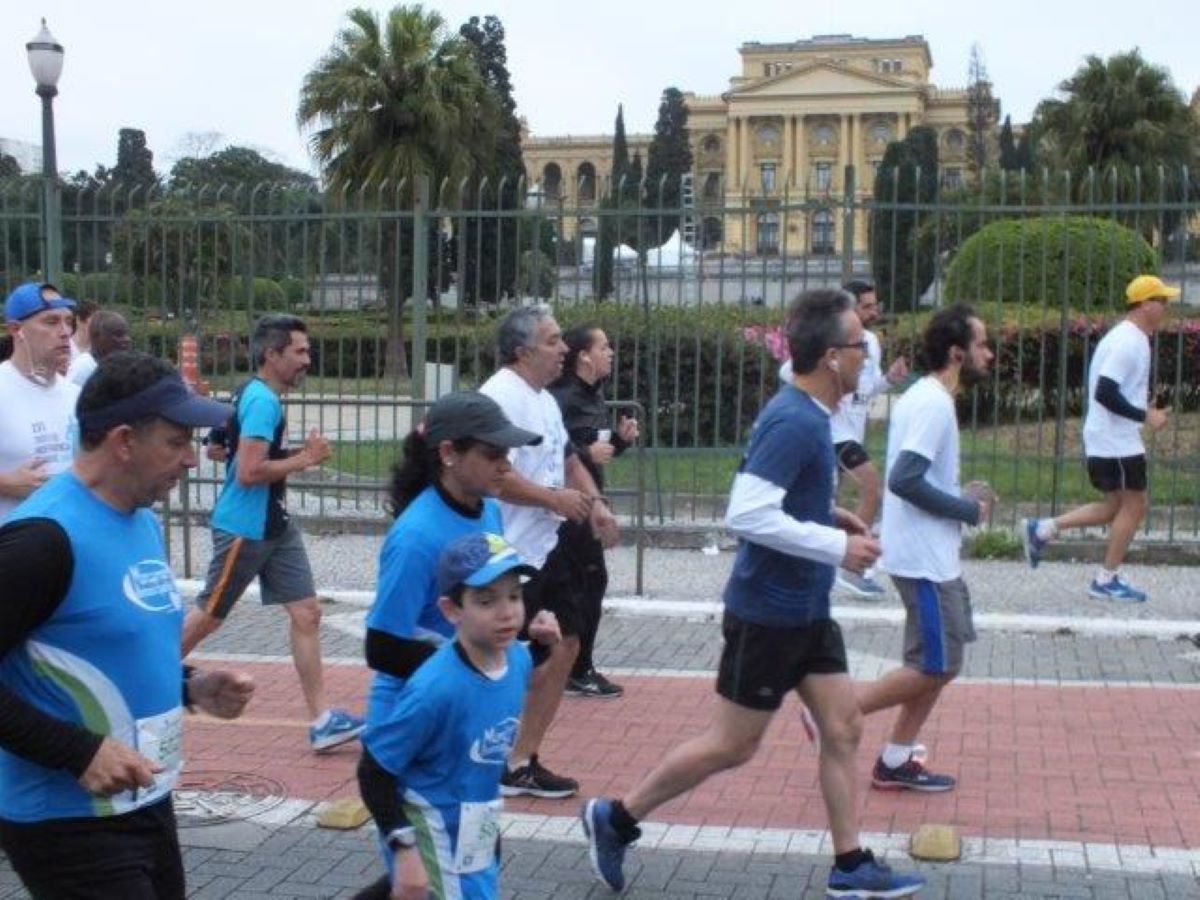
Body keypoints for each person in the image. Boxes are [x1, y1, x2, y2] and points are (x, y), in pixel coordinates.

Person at [581, 289, 924, 899]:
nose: (867, 357)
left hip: (805, 609)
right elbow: (747, 514)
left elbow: (776, 503)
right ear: (829, 357)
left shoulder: (810, 415)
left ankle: (850, 866)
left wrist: (828, 517)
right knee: (733, 745)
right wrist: (835, 547)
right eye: (857, 346)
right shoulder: (794, 419)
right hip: (768, 613)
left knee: (842, 727)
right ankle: (617, 817)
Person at [0, 351, 254, 899]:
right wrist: (78, 750)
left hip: (145, 797)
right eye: (176, 441)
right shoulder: (42, 541)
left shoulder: (139, 518)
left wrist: (191, 685)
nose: (191, 460)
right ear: (122, 441)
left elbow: (110, 641)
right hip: (66, 817)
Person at [182, 313, 364, 752]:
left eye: (306, 350)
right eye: (299, 351)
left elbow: (220, 442)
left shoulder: (251, 392)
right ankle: (141, 678)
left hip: (275, 524)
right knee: (209, 616)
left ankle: (322, 721)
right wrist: (308, 457)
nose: (307, 359)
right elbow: (248, 472)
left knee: (307, 613)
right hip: (246, 527)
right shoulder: (262, 400)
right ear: (272, 354)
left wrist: (219, 445)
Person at [357, 531, 561, 900]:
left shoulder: (514, 656)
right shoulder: (435, 688)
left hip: (477, 818)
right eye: (486, 601)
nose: (507, 612)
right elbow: (374, 769)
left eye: (514, 596)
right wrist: (403, 849)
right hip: (432, 821)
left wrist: (545, 646)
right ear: (452, 610)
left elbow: (529, 668)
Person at [480, 305, 619, 799]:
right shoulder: (499, 398)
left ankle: (521, 760)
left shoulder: (544, 399)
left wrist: (596, 506)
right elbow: (495, 477)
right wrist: (553, 499)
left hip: (549, 544)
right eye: (554, 340)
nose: (565, 349)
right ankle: (472, 753)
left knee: (567, 643)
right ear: (523, 351)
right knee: (493, 660)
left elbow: (565, 458)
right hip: (506, 553)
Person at [858, 302, 994, 793]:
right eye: (981, 345)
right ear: (957, 353)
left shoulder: (929, 397)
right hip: (922, 558)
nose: (989, 354)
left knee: (940, 663)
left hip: (930, 555)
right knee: (936, 664)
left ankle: (896, 758)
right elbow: (904, 479)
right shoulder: (933, 402)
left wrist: (960, 499)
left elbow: (916, 476)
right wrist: (965, 510)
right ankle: (837, 713)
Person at [364, 390, 541, 725]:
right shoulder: (415, 537)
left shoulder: (490, 509)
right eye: (492, 454)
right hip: (411, 715)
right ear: (448, 453)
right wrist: (470, 663)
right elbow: (382, 647)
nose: (506, 465)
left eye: (507, 453)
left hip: (460, 708)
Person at [1022, 274, 1177, 602]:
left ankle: (1043, 529)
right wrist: (1145, 416)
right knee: (1135, 505)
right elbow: (1105, 392)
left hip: (1111, 437)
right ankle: (1106, 579)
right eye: (1162, 302)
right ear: (1146, 305)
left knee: (1115, 506)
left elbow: (1112, 391)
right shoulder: (1129, 341)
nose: (1166, 308)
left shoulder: (1129, 337)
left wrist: (1138, 407)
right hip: (1116, 440)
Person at [781, 280, 907, 599]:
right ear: (850, 310)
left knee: (819, 502)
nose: (873, 311)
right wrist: (821, 388)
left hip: (853, 430)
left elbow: (866, 388)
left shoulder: (872, 343)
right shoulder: (833, 342)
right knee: (872, 485)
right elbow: (790, 371)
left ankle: (807, 560)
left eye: (875, 305)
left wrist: (888, 381)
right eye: (866, 306)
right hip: (835, 431)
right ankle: (853, 567)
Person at [550, 324, 639, 698]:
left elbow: (591, 450)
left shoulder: (594, 396)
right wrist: (588, 455)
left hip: (588, 505)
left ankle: (567, 664)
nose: (611, 353)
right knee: (584, 583)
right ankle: (576, 668)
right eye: (604, 346)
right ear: (584, 355)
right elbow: (555, 454)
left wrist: (619, 442)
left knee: (583, 584)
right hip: (564, 510)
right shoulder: (561, 398)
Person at [0, 283, 81, 523]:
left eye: (69, 322)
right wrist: (3, 482)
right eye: (51, 322)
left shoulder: (76, 395)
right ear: (17, 330)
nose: (65, 332)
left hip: (66, 544)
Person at [67, 309, 133, 386]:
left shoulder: (121, 366)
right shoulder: (84, 368)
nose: (127, 339)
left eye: (126, 334)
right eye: (118, 335)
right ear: (97, 336)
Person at [67, 298, 97, 365]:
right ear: (78, 320)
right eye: (92, 321)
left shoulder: (100, 349)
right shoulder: (65, 347)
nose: (96, 325)